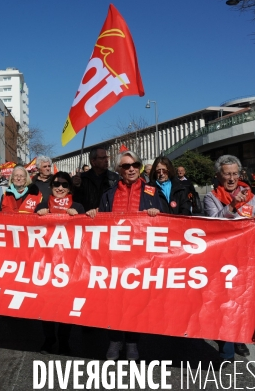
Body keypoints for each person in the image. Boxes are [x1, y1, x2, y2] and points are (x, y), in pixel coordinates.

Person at [99, 151, 162, 361]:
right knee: (114, 302)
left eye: (135, 164)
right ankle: (115, 341)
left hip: (141, 258)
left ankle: (133, 342)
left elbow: (165, 223)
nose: (132, 169)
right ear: (119, 170)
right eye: (126, 166)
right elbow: (99, 224)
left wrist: (156, 214)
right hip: (114, 258)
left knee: (135, 302)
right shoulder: (108, 194)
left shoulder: (152, 192)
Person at [203, 155, 255, 360]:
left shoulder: (251, 196)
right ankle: (225, 344)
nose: (231, 178)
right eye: (226, 174)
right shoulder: (210, 197)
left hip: (246, 260)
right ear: (218, 176)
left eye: (234, 174)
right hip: (221, 260)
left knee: (242, 300)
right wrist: (231, 207)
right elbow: (212, 226)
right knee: (223, 302)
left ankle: (240, 337)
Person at [34, 172, 84, 355]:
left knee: (65, 304)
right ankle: (49, 339)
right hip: (46, 263)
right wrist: (38, 216)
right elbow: (29, 233)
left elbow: (87, 234)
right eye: (56, 184)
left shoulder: (78, 206)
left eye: (64, 185)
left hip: (70, 265)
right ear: (51, 187)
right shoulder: (42, 206)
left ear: (70, 188)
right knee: (46, 303)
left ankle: (64, 340)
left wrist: (78, 216)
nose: (60, 188)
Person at [74, 148, 119, 216]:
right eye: (102, 158)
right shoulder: (82, 179)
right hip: (87, 220)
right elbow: (76, 202)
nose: (106, 160)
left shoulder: (115, 178)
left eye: (107, 157)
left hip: (107, 220)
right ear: (93, 161)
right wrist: (76, 187)